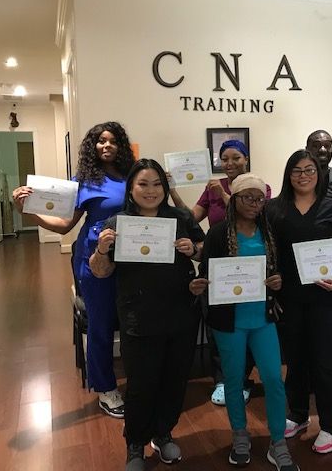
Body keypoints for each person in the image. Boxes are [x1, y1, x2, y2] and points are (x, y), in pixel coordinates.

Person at [12, 121, 134, 418]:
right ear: (93, 147)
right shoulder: (84, 180)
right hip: (95, 256)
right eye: (100, 141)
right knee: (102, 323)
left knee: (132, 319)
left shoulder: (133, 176)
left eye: (112, 141)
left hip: (132, 256)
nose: (106, 146)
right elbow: (65, 224)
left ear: (121, 145)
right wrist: (27, 211)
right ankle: (106, 388)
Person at [90, 159, 205, 471]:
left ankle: (163, 432)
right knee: (141, 384)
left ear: (165, 188)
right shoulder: (118, 222)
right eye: (143, 184)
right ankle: (135, 445)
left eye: (157, 184)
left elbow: (203, 249)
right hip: (138, 316)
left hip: (180, 313)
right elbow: (100, 272)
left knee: (174, 380)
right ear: (131, 188)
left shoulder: (180, 217)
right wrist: (101, 250)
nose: (151, 190)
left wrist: (191, 249)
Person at [189, 173, 299, 470]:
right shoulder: (218, 234)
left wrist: (278, 282)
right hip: (229, 322)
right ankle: (240, 434)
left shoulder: (270, 232)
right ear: (233, 199)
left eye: (260, 198)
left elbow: (283, 271)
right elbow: (205, 274)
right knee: (234, 380)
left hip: (263, 319)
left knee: (274, 379)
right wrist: (199, 284)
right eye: (247, 197)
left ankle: (278, 441)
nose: (254, 203)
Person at [170, 139, 271, 406]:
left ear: (246, 159)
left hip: (250, 269)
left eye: (236, 157)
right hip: (219, 268)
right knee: (220, 324)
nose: (230, 163)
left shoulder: (258, 186)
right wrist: (173, 191)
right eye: (224, 158)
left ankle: (245, 379)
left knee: (248, 324)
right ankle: (224, 380)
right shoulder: (211, 187)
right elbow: (190, 218)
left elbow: (254, 214)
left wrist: (227, 195)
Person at [267, 150, 332, 455]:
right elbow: (269, 251)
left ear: (318, 173)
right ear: (288, 174)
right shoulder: (275, 208)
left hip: (326, 297)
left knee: (324, 361)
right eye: (297, 170)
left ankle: (331, 425)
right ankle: (299, 415)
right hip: (289, 297)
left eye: (309, 170)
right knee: (295, 359)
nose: (303, 176)